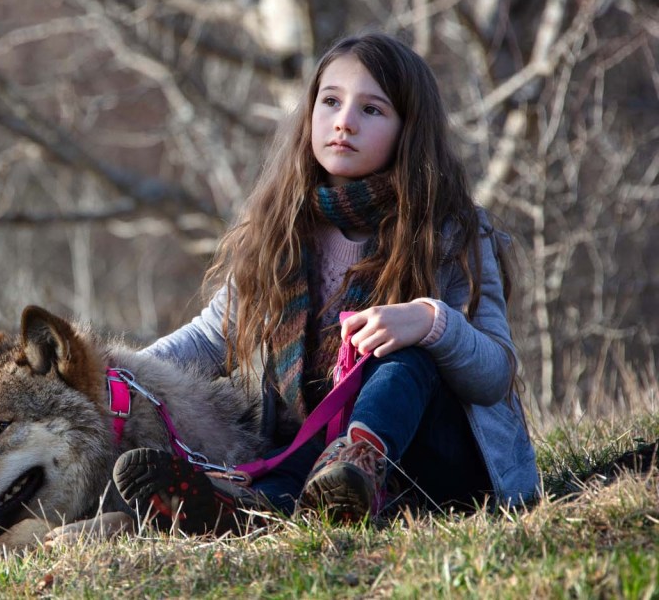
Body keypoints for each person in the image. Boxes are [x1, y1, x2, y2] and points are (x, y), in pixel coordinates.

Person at [112, 32, 539, 533]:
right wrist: (123, 373)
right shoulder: (281, 228)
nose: (344, 121)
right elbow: (211, 337)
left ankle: (355, 463)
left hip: (440, 474)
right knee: (296, 444)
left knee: (408, 353)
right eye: (331, 101)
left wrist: (429, 321)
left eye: (372, 110)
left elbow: (494, 374)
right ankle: (241, 509)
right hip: (308, 466)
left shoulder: (452, 230)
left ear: (409, 131)